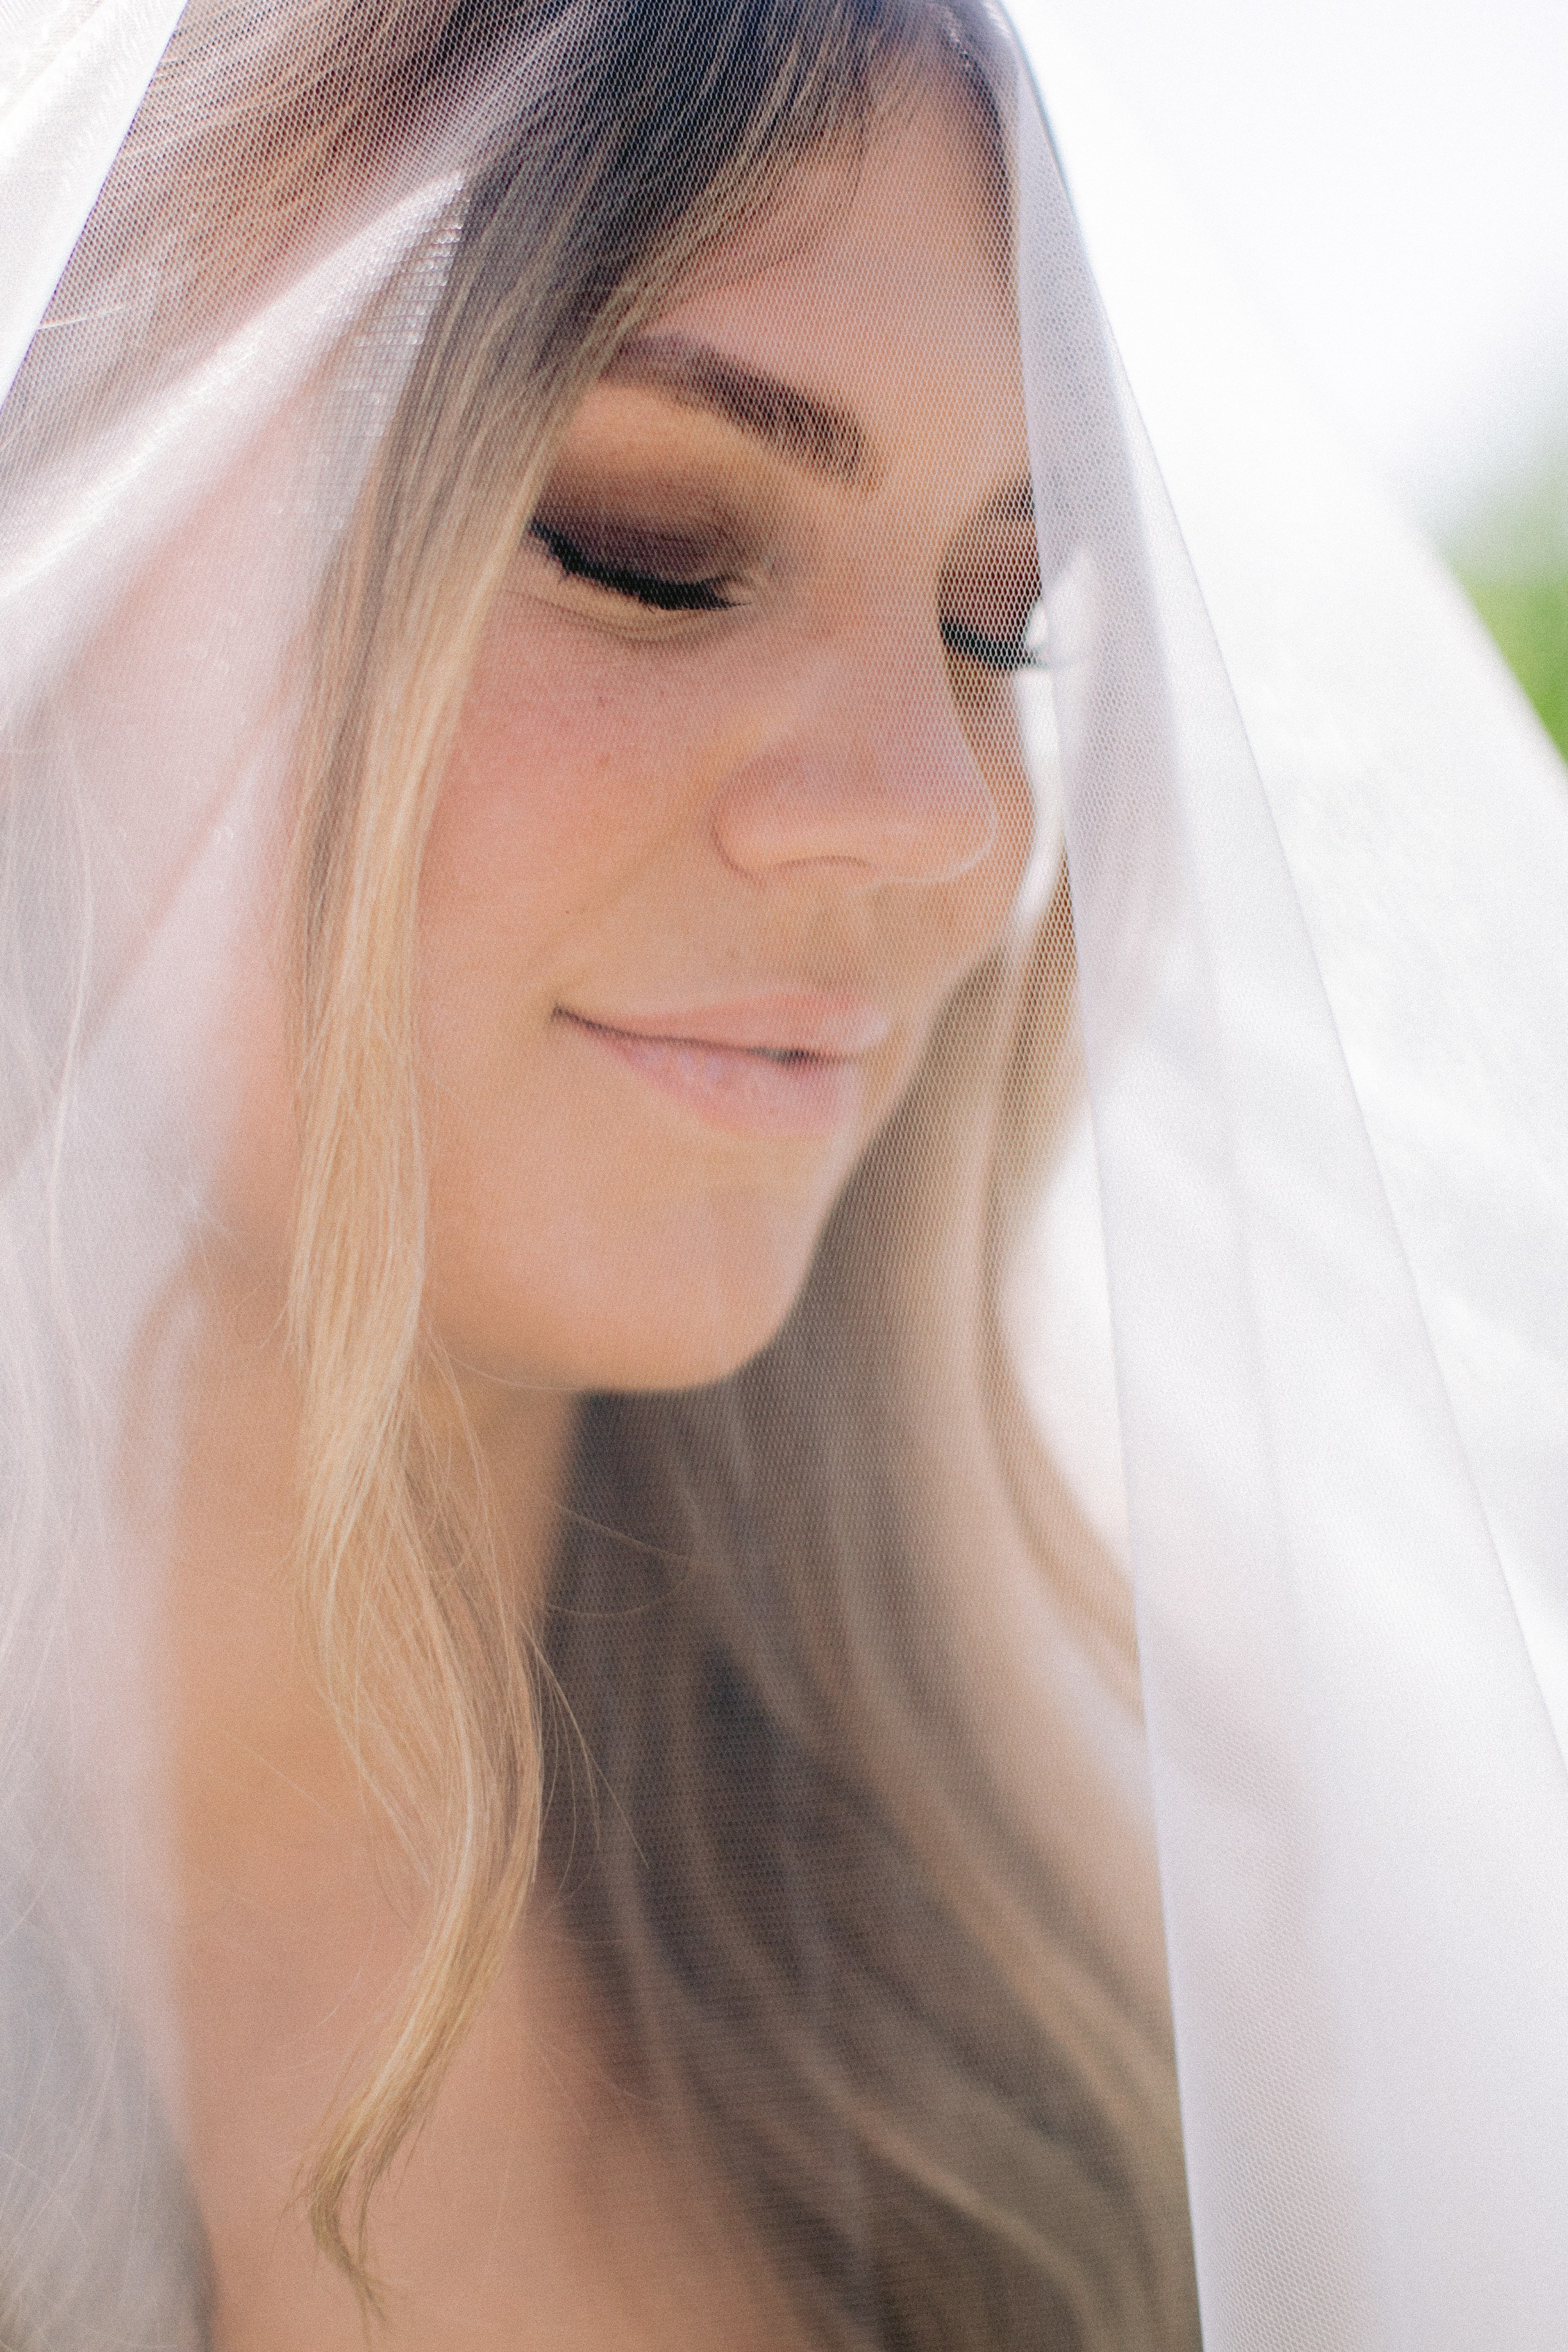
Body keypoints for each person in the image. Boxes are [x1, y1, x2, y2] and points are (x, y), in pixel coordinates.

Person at [5, 3, 1568, 2350]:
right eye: (648, 550)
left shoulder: (1200, 1977)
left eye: (996, 624)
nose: (944, 822)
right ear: (76, 505)